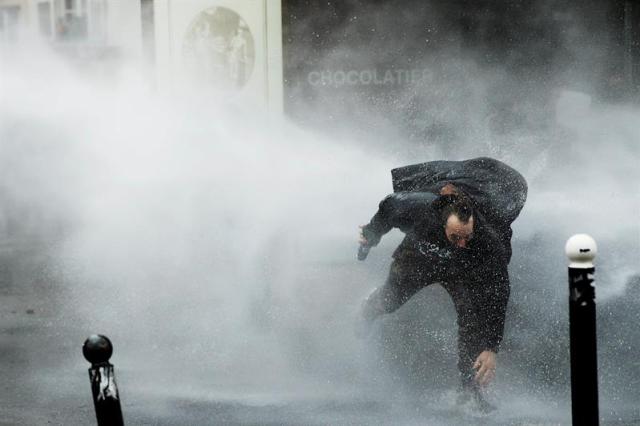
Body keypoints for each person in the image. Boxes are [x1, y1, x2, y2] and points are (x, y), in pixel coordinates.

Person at [358, 157, 527, 412]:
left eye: (466, 236)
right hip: (420, 257)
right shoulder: (418, 208)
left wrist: (491, 347)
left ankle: (470, 393)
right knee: (388, 301)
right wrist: (371, 236)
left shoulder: (488, 241)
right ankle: (367, 310)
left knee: (473, 325)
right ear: (441, 220)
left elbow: (498, 293)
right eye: (455, 236)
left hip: (464, 271)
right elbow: (389, 207)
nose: (462, 242)